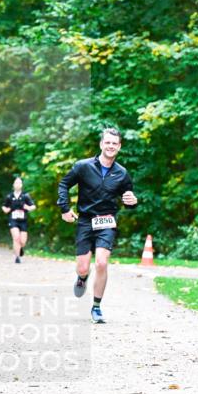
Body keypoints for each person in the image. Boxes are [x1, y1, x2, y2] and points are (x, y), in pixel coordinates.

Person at [57, 127, 138, 323]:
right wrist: (65, 209)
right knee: (83, 267)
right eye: (107, 142)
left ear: (119, 147)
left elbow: (128, 199)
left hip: (107, 221)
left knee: (102, 262)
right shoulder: (83, 166)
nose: (110, 146)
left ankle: (96, 307)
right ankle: (82, 278)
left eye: (114, 143)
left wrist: (133, 202)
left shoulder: (122, 173)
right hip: (85, 220)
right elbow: (64, 184)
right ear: (101, 144)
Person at [1, 176, 36, 264]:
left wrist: (27, 207)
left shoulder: (25, 196)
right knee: (16, 238)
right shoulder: (9, 196)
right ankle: (17, 257)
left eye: (19, 183)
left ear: (21, 185)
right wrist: (7, 210)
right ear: (13, 185)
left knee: (23, 241)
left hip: (23, 220)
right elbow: (4, 206)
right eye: (16, 183)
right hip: (13, 220)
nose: (18, 185)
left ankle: (20, 248)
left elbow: (33, 206)